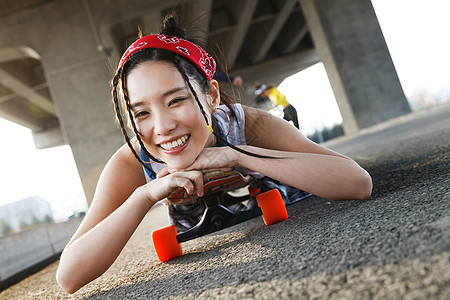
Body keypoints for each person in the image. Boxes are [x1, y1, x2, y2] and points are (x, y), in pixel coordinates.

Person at [56, 13, 372, 294]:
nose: (162, 127)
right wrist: (144, 195)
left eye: (176, 100)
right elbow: (69, 276)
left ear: (212, 96)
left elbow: (358, 182)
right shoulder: (133, 159)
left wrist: (239, 156)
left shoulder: (247, 123)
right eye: (141, 114)